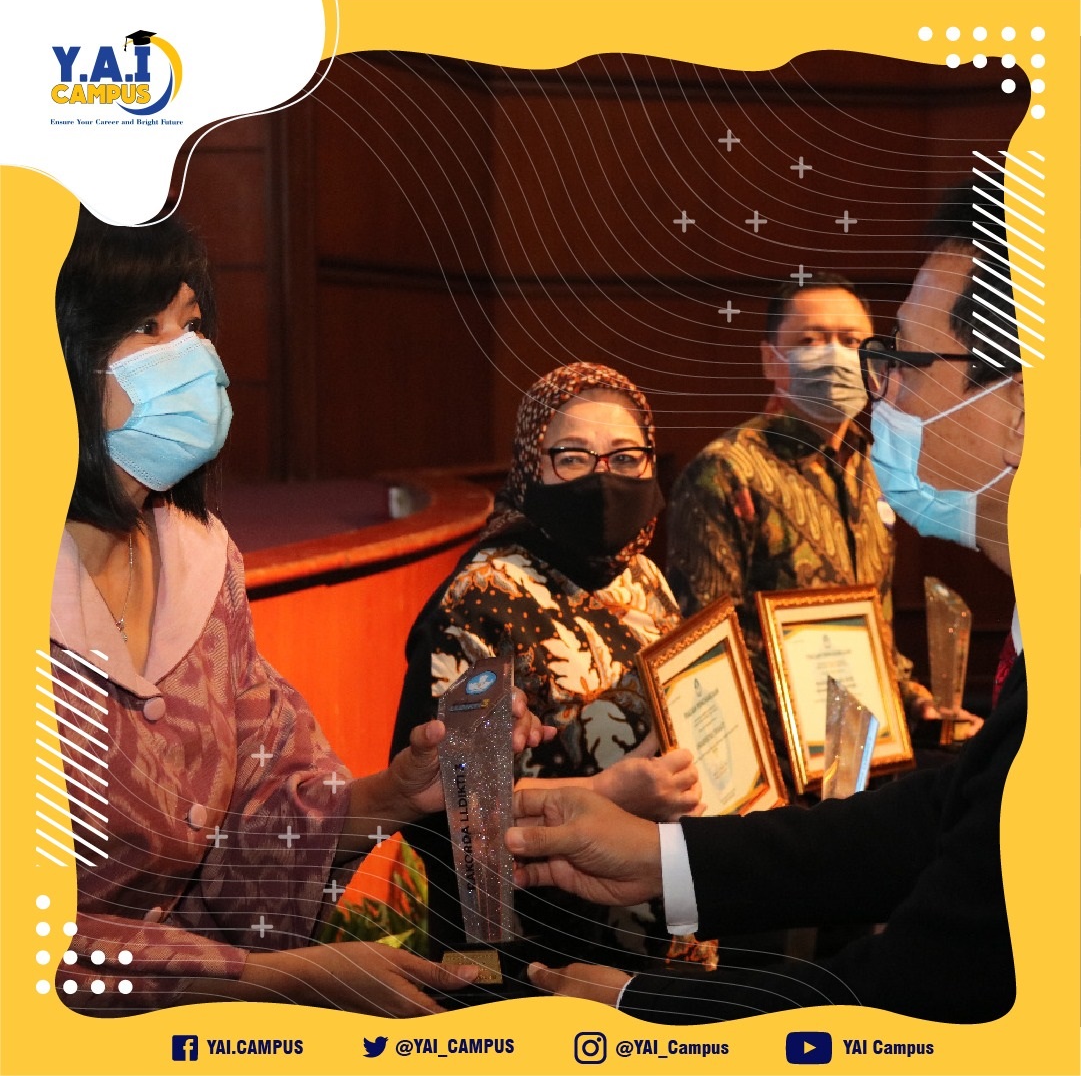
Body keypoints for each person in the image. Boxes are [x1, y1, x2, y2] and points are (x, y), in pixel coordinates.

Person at [505, 194, 1026, 1023]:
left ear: (1022, 415)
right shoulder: (731, 471)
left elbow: (940, 977)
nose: (878, 387)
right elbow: (954, 815)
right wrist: (667, 859)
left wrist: (647, 1005)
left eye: (903, 359)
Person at [48, 210, 550, 1017]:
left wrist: (395, 793)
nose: (193, 358)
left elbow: (254, 822)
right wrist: (276, 980)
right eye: (147, 327)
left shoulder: (201, 563)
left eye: (194, 324)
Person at [391, 362, 701, 967]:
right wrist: (608, 794)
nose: (603, 478)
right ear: (533, 464)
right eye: (573, 457)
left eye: (626, 457)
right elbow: (439, 807)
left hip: (655, 951)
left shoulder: (643, 577)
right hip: (538, 959)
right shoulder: (484, 597)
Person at [666, 274, 954, 787]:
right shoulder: (726, 473)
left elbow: (876, 628)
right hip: (778, 774)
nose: (835, 355)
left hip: (872, 762)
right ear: (771, 359)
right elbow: (704, 652)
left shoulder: (875, 470)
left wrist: (915, 702)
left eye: (851, 340)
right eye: (810, 339)